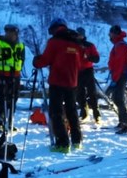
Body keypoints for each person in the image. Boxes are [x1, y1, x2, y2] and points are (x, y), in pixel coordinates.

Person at [33, 18, 84, 153]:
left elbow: (45, 60)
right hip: (72, 81)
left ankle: (62, 144)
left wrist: (37, 61)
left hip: (57, 82)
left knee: (56, 112)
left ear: (54, 29)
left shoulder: (54, 42)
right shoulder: (76, 42)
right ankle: (77, 141)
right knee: (72, 111)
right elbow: (80, 64)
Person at [0, 24, 25, 131]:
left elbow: (21, 60)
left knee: (13, 101)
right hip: (1, 77)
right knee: (1, 101)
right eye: (8, 32)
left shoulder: (21, 46)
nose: (10, 35)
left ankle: (9, 123)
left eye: (12, 33)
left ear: (16, 34)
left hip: (15, 77)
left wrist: (17, 72)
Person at [107, 25, 127, 134]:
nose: (109, 35)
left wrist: (115, 79)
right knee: (117, 99)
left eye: (111, 33)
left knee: (119, 99)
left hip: (120, 75)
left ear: (115, 33)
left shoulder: (121, 46)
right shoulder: (118, 45)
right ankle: (122, 121)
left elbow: (120, 64)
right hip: (119, 75)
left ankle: (126, 124)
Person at [75, 27, 101, 124]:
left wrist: (89, 57)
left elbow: (97, 58)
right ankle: (84, 111)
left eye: (81, 34)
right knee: (79, 93)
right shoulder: (73, 45)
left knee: (92, 92)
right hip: (77, 71)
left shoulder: (90, 45)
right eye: (78, 34)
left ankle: (96, 112)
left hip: (88, 70)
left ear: (84, 35)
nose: (79, 36)